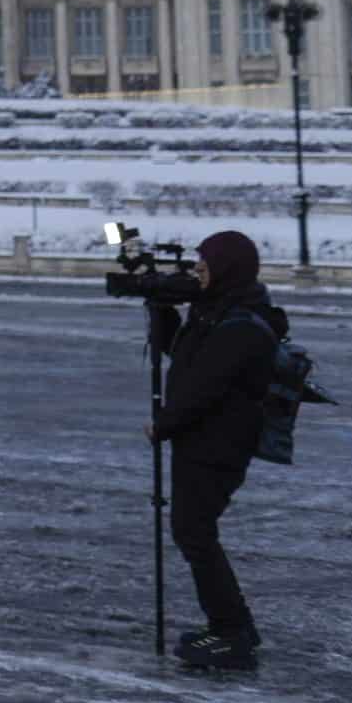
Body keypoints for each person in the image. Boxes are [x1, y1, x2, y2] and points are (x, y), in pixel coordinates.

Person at [147, 229, 285, 672]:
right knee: (194, 531)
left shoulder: (241, 325)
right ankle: (237, 626)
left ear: (226, 270)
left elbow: (205, 385)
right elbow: (182, 356)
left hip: (217, 446)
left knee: (194, 532)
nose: (197, 274)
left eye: (205, 267)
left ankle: (229, 631)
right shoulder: (219, 311)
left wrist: (163, 425)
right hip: (203, 441)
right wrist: (162, 308)